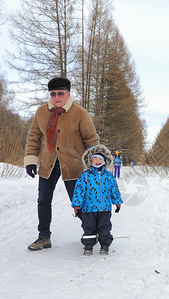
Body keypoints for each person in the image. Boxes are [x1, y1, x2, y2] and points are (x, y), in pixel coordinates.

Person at [24, 77, 99, 251]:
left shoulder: (80, 113)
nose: (56, 97)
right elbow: (34, 137)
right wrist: (30, 159)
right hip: (48, 164)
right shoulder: (41, 112)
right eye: (53, 94)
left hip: (73, 165)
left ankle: (92, 231)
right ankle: (44, 237)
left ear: (68, 94)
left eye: (60, 93)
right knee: (43, 201)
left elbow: (91, 139)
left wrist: (94, 164)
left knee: (78, 201)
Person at [72, 144, 123, 255]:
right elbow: (79, 190)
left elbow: (114, 189)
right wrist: (76, 204)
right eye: (95, 158)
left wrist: (117, 201)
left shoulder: (109, 176)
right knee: (89, 227)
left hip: (104, 208)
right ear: (90, 161)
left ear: (105, 161)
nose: (98, 161)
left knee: (105, 228)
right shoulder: (85, 176)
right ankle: (88, 246)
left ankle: (105, 245)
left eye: (100, 159)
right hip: (88, 208)